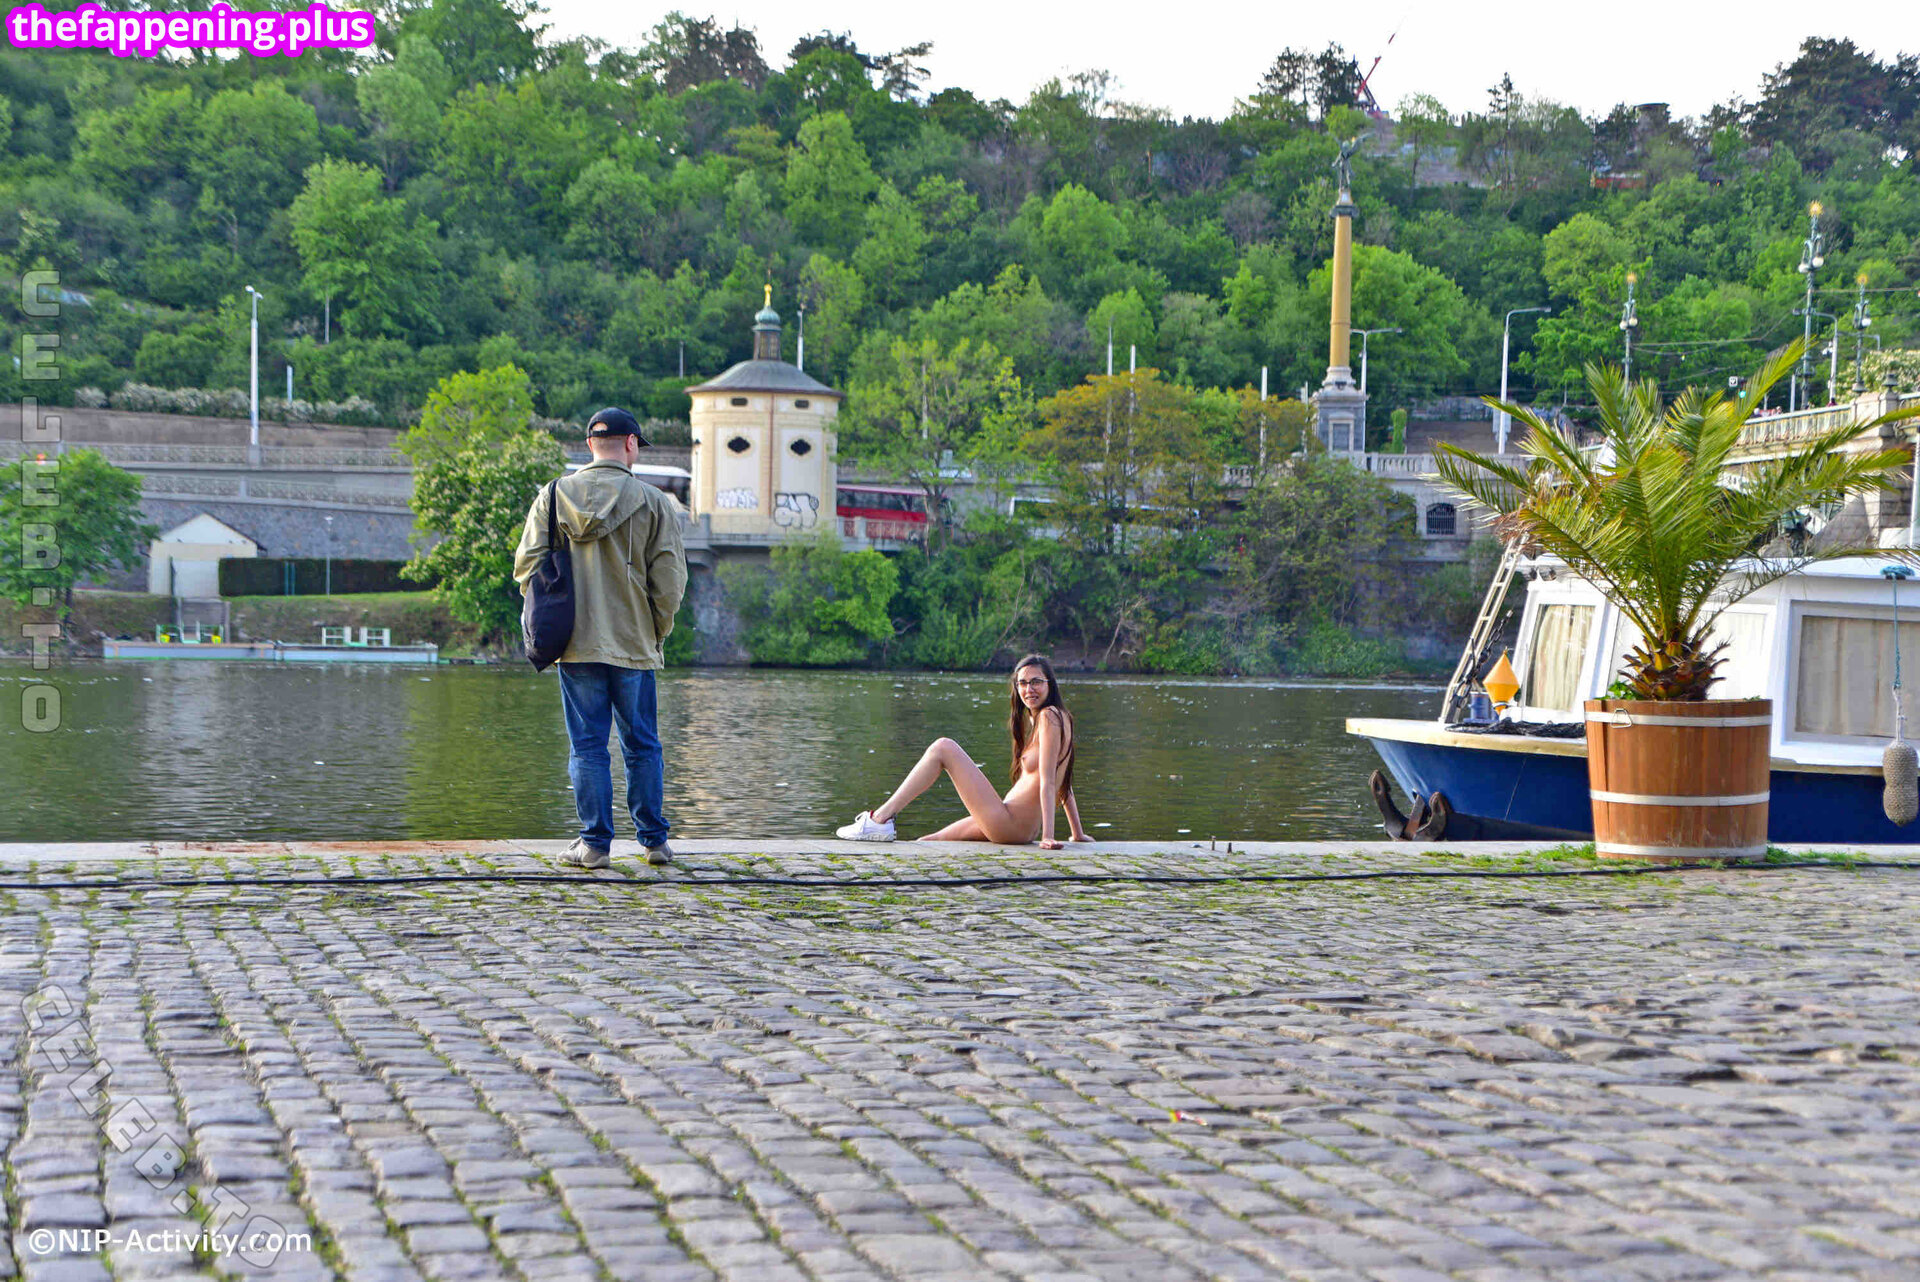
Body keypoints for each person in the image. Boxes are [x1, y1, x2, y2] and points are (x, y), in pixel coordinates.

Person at [513, 407, 687, 871]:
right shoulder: (654, 501)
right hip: (634, 642)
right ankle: (654, 842)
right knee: (643, 745)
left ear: (590, 444)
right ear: (631, 444)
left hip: (574, 644)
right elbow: (670, 581)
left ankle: (594, 846)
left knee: (588, 747)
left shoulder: (553, 496)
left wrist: (552, 616)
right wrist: (657, 630)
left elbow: (526, 568)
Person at [837, 655, 1093, 848]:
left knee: (943, 747)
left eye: (1036, 682)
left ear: (1050, 684)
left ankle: (879, 820)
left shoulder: (1049, 717)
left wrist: (1048, 836)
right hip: (1011, 823)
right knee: (929, 841)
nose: (1029, 690)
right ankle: (881, 823)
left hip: (1009, 824)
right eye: (1022, 683)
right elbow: (1064, 782)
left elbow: (1050, 780)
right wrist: (1077, 833)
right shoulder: (1058, 717)